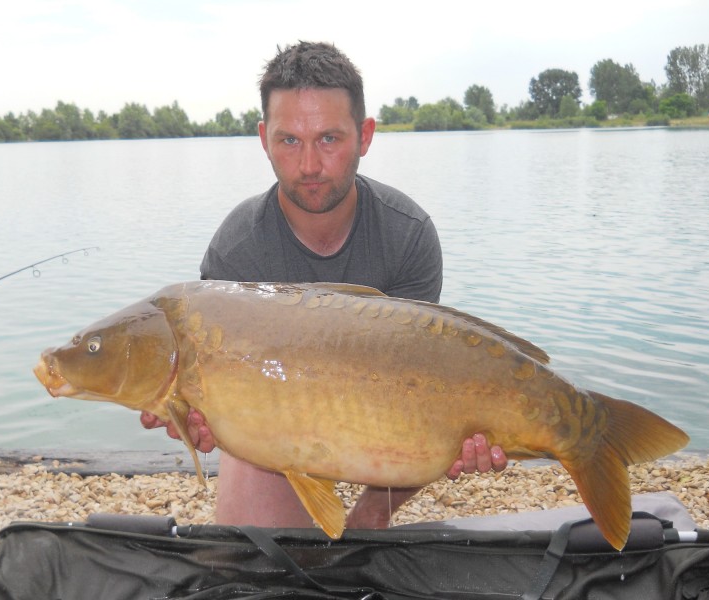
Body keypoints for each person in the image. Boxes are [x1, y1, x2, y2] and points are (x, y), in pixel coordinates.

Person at [141, 41, 507, 530]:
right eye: (289, 140)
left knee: (446, 419)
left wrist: (460, 442)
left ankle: (369, 518)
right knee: (251, 547)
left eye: (329, 139)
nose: (310, 165)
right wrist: (202, 419)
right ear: (263, 139)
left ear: (365, 135)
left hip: (386, 420)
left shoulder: (407, 233)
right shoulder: (238, 247)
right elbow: (219, 399)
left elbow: (425, 387)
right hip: (274, 436)